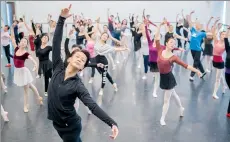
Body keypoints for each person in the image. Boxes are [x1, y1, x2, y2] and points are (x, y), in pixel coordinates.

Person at [47, 5, 119, 142]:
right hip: (57, 122)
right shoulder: (58, 67)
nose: (80, 59)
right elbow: (56, 42)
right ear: (69, 58)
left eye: (83, 60)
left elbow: (92, 105)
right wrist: (62, 18)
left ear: (82, 68)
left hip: (70, 126)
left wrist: (112, 123)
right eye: (78, 56)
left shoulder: (77, 85)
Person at [155, 21, 201, 126]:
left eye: (174, 43)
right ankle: (181, 108)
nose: (173, 44)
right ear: (166, 43)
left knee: (166, 100)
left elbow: (186, 65)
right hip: (162, 77)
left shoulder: (173, 57)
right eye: (171, 42)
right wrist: (159, 26)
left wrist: (197, 70)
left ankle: (162, 118)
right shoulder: (160, 49)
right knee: (173, 94)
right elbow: (157, 37)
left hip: (169, 78)